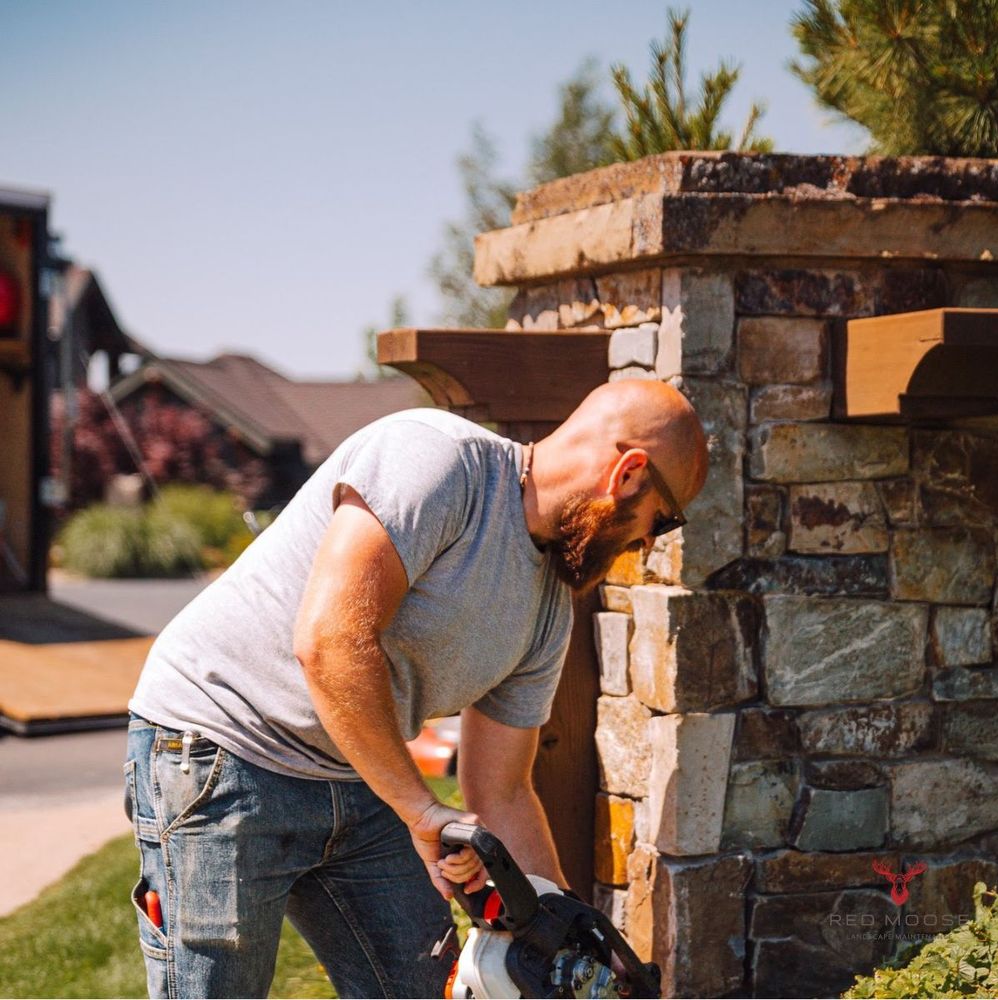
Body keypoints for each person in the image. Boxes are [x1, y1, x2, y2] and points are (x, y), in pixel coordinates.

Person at [123, 378, 708, 999]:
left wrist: (572, 937)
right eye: (663, 520)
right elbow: (331, 641)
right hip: (220, 744)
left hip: (357, 772)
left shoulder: (546, 614)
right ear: (628, 473)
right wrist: (422, 812)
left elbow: (503, 791)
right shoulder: (435, 460)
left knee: (427, 988)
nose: (648, 542)